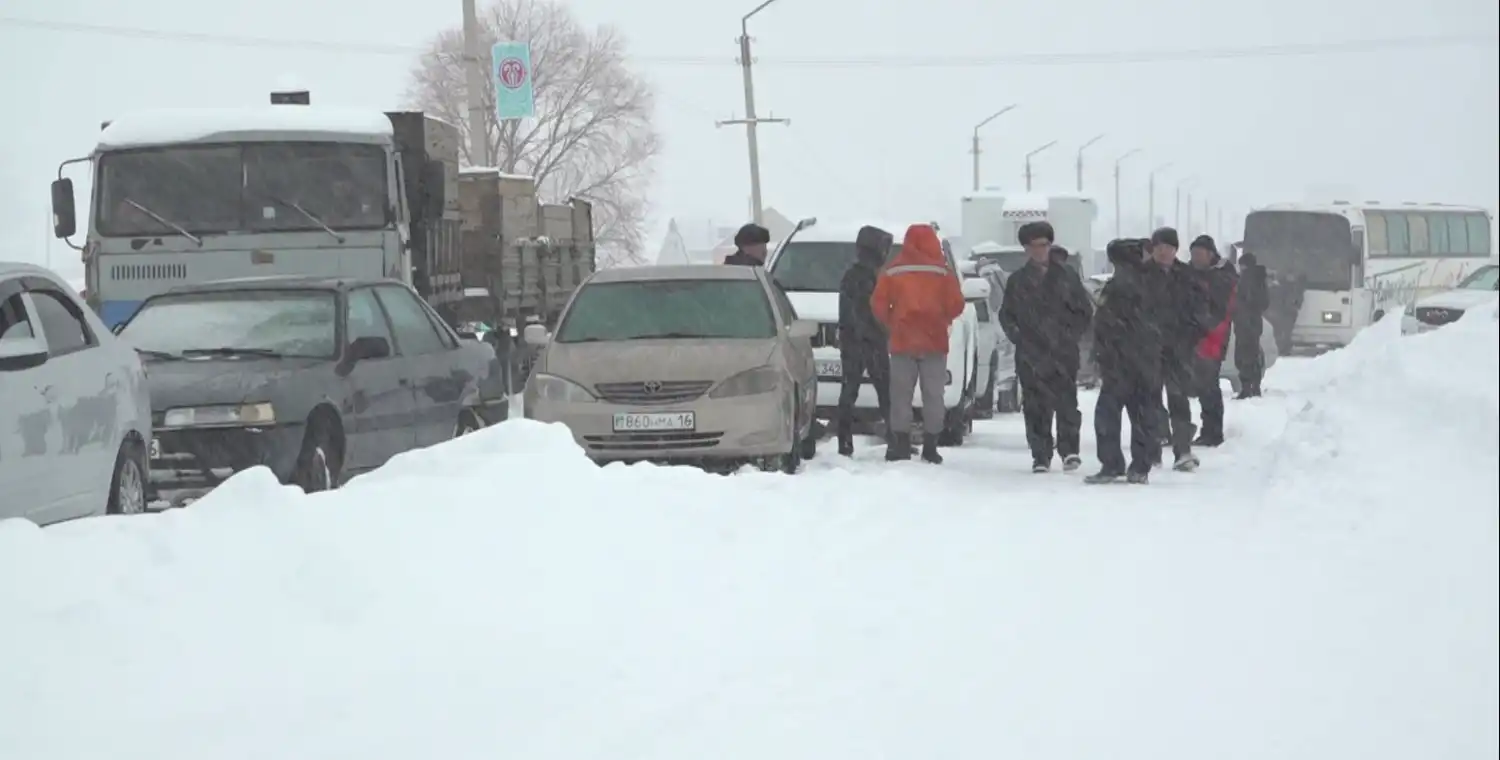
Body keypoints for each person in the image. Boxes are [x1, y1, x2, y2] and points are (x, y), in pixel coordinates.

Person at [998, 223, 1095, 473]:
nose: (1039, 250)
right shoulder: (1017, 281)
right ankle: (1040, 454)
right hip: (1031, 354)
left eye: (1044, 245)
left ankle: (1069, 450)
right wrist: (1019, 336)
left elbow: (1084, 311)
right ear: (1026, 249)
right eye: (1033, 246)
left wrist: (1068, 335)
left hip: (1063, 353)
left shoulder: (1067, 276)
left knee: (1066, 403)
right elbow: (1006, 315)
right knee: (1035, 406)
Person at [870, 223, 965, 464]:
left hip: (902, 341)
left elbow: (878, 305)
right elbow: (957, 305)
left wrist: (894, 322)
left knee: (901, 395)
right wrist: (941, 318)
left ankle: (900, 443)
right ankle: (931, 445)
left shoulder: (893, 271)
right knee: (934, 395)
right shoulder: (943, 273)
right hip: (934, 342)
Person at [1085, 238, 1166, 484]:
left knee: (1108, 414)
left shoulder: (1121, 285)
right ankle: (1139, 466)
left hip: (1123, 362)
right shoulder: (1150, 282)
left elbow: (1108, 324)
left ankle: (1113, 464)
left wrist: (1104, 353)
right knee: (1141, 414)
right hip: (1142, 361)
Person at [1148, 227, 1212, 472]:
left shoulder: (1187, 277)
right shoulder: (1142, 277)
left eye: (1169, 248)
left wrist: (1191, 336)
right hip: (1149, 349)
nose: (1164, 252)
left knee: (1178, 399)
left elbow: (1201, 311)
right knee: (1150, 401)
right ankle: (1151, 450)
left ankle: (1182, 450)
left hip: (1179, 348)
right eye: (1160, 247)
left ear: (1176, 250)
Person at [835, 225, 895, 456]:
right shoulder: (863, 277)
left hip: (856, 340)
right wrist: (877, 333)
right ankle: (891, 437)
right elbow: (863, 313)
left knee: (851, 391)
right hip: (865, 340)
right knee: (880, 391)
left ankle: (845, 440)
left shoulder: (858, 275)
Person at [1187, 235, 1238, 448]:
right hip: (1194, 336)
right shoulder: (1191, 274)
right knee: (1199, 385)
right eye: (1193, 254)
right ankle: (1206, 429)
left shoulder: (1220, 278)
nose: (1196, 258)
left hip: (1213, 337)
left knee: (1208, 386)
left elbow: (1220, 312)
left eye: (1199, 254)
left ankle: (1213, 431)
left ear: (1210, 254)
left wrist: (1203, 324)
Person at [1232, 252, 1270, 398]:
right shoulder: (1259, 280)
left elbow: (1240, 300)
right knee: (1252, 355)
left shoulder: (1247, 280)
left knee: (1244, 356)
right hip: (1253, 323)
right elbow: (1264, 303)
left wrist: (1245, 307)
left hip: (1245, 323)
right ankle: (1254, 386)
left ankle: (1247, 387)